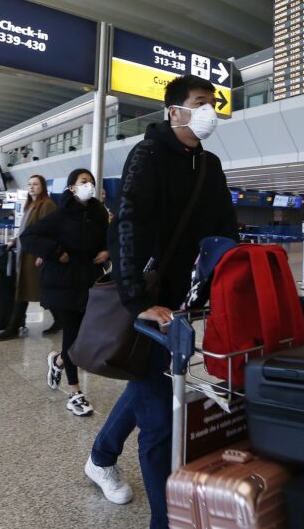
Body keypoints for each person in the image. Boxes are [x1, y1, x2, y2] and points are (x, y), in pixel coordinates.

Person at [84, 75, 238, 529]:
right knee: (159, 417)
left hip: (186, 299)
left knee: (149, 383)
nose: (209, 110)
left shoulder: (209, 165)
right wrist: (135, 299)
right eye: (199, 103)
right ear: (174, 111)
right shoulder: (147, 155)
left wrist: (226, 285)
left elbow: (226, 230)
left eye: (213, 103)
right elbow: (127, 223)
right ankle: (163, 521)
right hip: (151, 300)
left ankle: (100, 457)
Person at [19, 169, 109, 416]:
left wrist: (107, 250)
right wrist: (55, 251)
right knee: (72, 336)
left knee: (84, 338)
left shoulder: (99, 213)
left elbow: (109, 237)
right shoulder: (60, 215)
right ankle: (74, 392)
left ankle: (58, 361)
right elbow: (28, 237)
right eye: (83, 182)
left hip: (90, 281)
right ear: (71, 188)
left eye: (91, 182)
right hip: (64, 283)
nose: (88, 185)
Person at [0, 175, 58, 341]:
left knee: (31, 291)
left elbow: (50, 230)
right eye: (29, 184)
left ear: (43, 186)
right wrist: (13, 241)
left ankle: (13, 328)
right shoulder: (30, 205)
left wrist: (43, 253)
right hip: (25, 254)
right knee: (31, 290)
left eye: (35, 184)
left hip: (34, 255)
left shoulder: (47, 204)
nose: (32, 187)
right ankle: (60, 320)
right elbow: (25, 230)